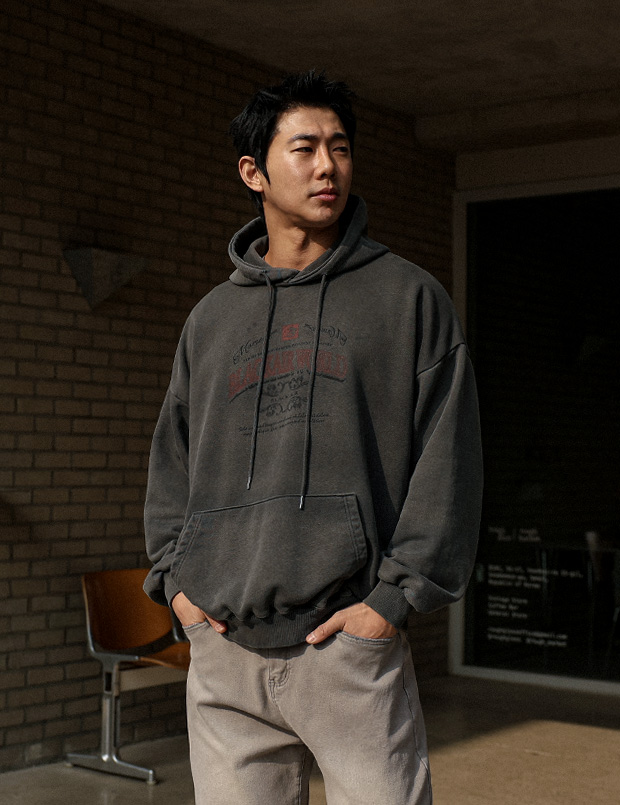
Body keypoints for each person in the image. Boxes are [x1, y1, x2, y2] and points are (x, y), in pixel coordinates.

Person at [144, 70, 483, 805]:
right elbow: (171, 459)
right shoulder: (210, 320)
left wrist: (391, 602)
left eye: (340, 147)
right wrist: (177, 585)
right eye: (304, 148)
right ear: (254, 172)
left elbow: (448, 462)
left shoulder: (408, 298)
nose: (327, 166)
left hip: (348, 645)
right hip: (223, 649)